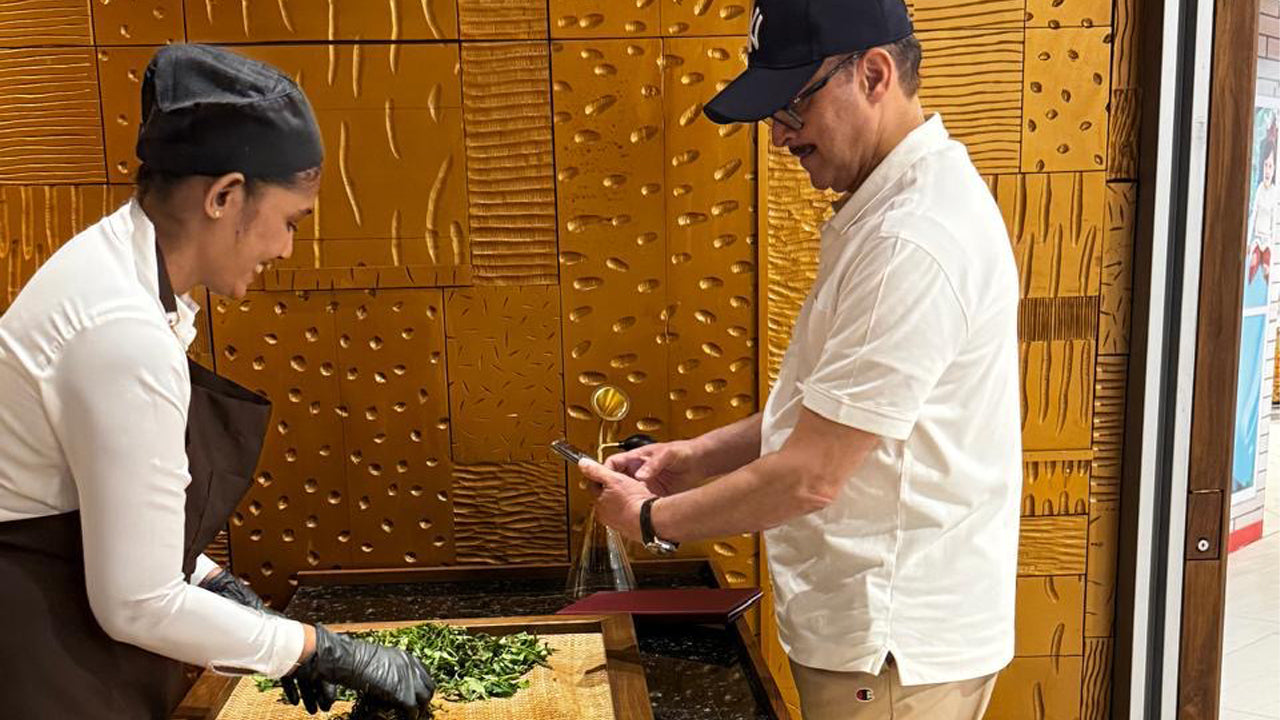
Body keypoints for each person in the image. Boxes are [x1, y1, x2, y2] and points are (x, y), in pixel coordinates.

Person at [579, 1, 1022, 718]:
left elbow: (813, 473)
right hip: (874, 633)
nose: (781, 134)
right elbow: (832, 411)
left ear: (873, 74)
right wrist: (692, 458)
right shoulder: (892, 210)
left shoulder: (910, 239)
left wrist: (654, 519)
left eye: (792, 105)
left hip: (892, 645)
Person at [0, 44, 434, 718]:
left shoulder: (116, 273)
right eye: (289, 222)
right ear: (225, 196)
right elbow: (137, 603)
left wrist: (216, 584)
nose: (285, 248)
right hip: (41, 659)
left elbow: (101, 503)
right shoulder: (119, 330)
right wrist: (316, 649)